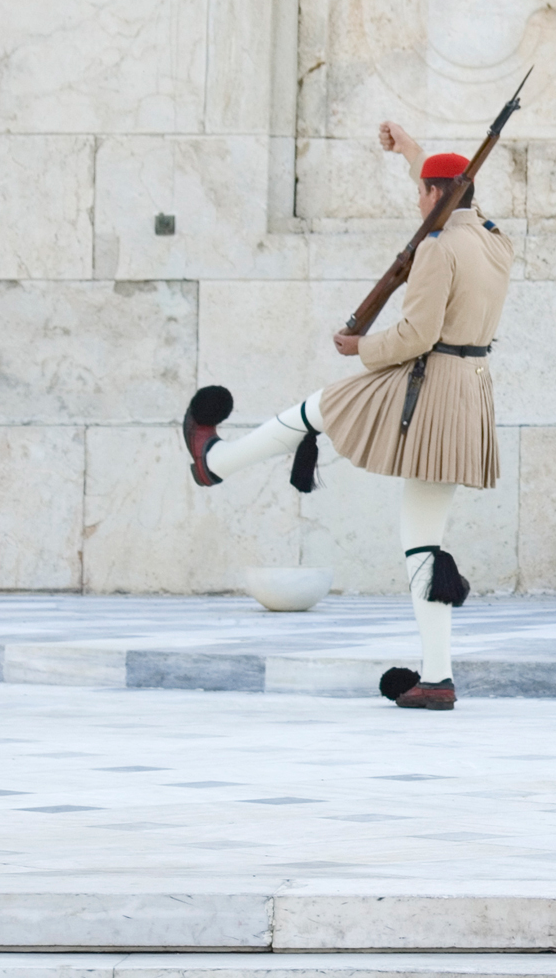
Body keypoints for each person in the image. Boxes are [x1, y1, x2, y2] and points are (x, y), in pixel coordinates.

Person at [180, 122, 513, 711]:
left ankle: (215, 463)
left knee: (322, 404)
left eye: (422, 191)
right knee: (423, 544)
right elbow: (452, 198)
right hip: (471, 392)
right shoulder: (492, 238)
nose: (418, 200)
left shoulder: (437, 249)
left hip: (427, 387)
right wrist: (413, 153)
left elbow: (417, 334)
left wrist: (359, 347)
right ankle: (436, 677)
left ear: (438, 195)